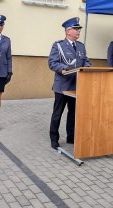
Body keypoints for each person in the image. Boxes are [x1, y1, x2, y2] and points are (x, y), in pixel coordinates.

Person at [48, 17, 91, 150]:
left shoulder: (81, 46)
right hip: (62, 86)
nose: (79, 31)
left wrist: (88, 67)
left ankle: (71, 137)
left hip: (76, 86)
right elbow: (52, 63)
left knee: (73, 113)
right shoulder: (58, 45)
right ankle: (54, 139)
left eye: (79, 29)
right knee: (57, 113)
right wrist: (64, 68)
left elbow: (86, 61)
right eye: (76, 29)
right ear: (68, 31)